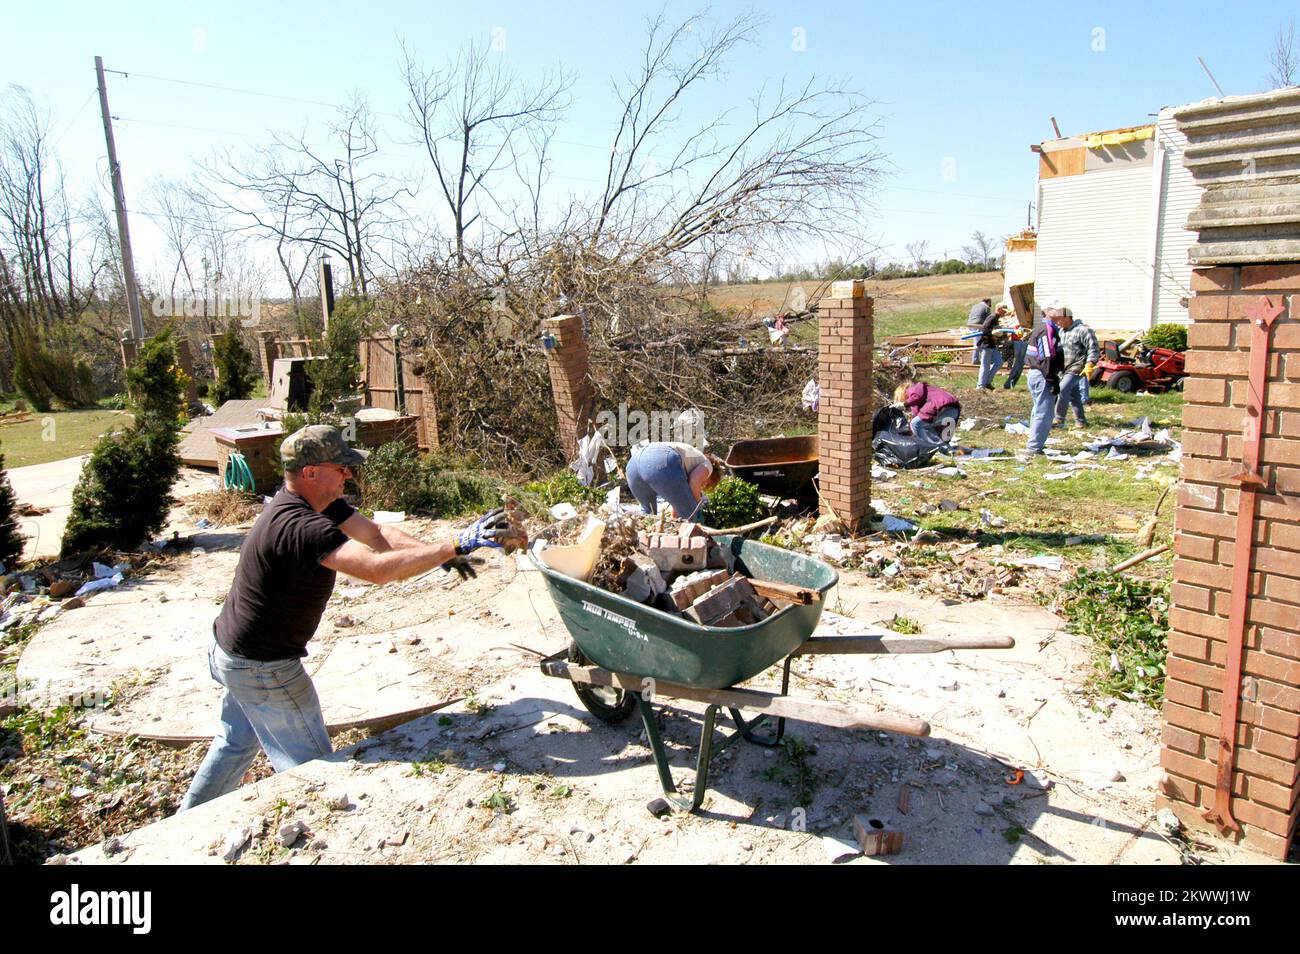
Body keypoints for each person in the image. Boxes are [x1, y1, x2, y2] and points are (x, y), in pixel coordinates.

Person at [179, 425, 518, 810]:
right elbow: (376, 570)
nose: (349, 474)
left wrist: (441, 554)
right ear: (310, 473)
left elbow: (376, 534)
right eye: (340, 467)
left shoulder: (315, 504)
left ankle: (180, 825)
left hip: (232, 650)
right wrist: (453, 543)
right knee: (315, 774)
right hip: (264, 668)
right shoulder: (301, 526)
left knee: (235, 743)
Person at [626, 441, 724, 520]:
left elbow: (678, 504)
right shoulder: (708, 466)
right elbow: (695, 481)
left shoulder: (687, 464)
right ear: (712, 477)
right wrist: (697, 505)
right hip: (660, 459)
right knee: (693, 517)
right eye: (706, 484)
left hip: (634, 464)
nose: (703, 486)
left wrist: (675, 517)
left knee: (648, 516)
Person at [1023, 302, 1067, 458]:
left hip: (1040, 373)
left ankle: (1035, 442)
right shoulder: (1045, 329)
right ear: (1049, 312)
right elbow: (1045, 356)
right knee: (1044, 411)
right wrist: (1052, 379)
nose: (1062, 313)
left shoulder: (1050, 328)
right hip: (1042, 374)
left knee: (1039, 409)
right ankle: (1034, 447)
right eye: (1059, 310)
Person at [1054, 309, 1099, 429]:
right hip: (1064, 369)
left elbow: (1093, 348)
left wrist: (1090, 363)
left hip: (1078, 367)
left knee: (1062, 390)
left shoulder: (1083, 330)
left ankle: (1059, 420)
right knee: (1074, 395)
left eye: (1059, 319)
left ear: (1067, 317)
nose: (1057, 322)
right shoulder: (1062, 331)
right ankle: (1081, 422)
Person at [896, 381, 962, 451]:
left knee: (915, 424)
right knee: (926, 426)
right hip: (954, 408)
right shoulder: (928, 392)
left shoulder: (913, 388)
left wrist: (904, 404)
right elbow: (918, 414)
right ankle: (945, 449)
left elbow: (916, 397)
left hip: (940, 405)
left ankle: (938, 448)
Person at [975, 302, 1010, 389]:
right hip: (986, 344)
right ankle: (980, 386)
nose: (1005, 313)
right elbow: (984, 330)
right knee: (985, 365)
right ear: (999, 309)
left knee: (999, 362)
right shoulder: (992, 317)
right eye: (1003, 311)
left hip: (992, 345)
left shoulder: (996, 318)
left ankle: (987, 382)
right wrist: (993, 335)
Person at [967, 298, 991, 366]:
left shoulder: (975, 306)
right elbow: (989, 319)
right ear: (988, 302)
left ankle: (977, 358)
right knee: (977, 343)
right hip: (977, 326)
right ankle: (975, 360)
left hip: (970, 324)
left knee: (977, 341)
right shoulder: (986, 308)